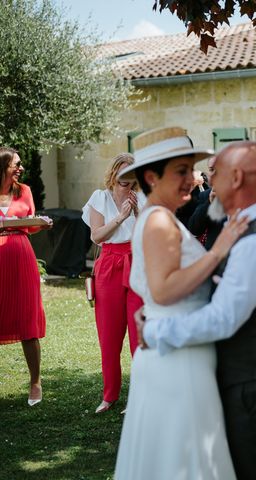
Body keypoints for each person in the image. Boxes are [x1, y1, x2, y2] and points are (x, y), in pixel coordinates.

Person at [140, 140, 256, 480]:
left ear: (236, 177)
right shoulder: (242, 228)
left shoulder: (255, 242)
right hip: (242, 376)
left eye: (216, 172)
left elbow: (223, 319)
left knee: (251, 472)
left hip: (252, 380)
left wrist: (155, 331)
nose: (208, 178)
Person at [115, 127, 247, 479]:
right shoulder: (159, 220)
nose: (192, 179)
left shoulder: (163, 217)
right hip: (177, 358)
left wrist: (150, 313)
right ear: (151, 177)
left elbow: (155, 288)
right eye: (181, 171)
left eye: (191, 169)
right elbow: (164, 289)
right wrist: (220, 249)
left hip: (176, 345)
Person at [82, 153, 147, 413]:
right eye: (122, 175)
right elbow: (97, 236)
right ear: (113, 173)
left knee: (138, 334)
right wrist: (121, 216)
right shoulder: (100, 197)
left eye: (131, 176)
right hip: (109, 262)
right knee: (108, 334)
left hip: (136, 260)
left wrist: (139, 212)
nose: (126, 180)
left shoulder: (142, 198)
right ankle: (109, 395)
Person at [0, 147, 53, 406]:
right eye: (15, 164)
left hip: (20, 258)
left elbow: (29, 225)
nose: (20, 168)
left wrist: (42, 223)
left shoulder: (25, 191)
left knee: (26, 319)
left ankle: (35, 382)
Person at [188, 155, 224, 250]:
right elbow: (194, 229)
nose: (214, 174)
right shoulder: (205, 195)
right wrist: (209, 202)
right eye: (211, 169)